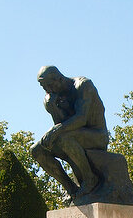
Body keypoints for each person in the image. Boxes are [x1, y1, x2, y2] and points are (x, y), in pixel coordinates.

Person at [31, 65, 110, 201]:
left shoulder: (83, 86)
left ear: (59, 79)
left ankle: (90, 178)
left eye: (49, 86)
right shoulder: (51, 98)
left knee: (63, 138)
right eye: (44, 88)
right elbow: (60, 123)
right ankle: (71, 189)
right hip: (71, 138)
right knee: (37, 150)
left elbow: (81, 118)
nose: (48, 90)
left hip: (96, 136)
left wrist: (55, 130)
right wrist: (53, 109)